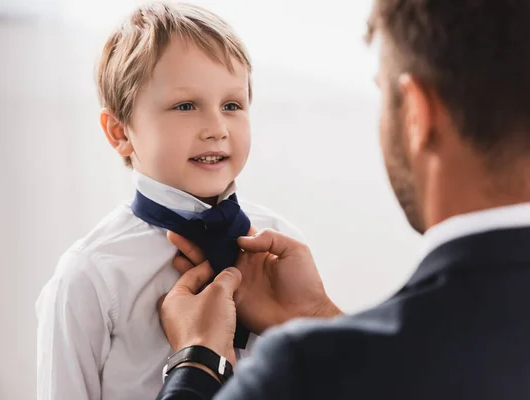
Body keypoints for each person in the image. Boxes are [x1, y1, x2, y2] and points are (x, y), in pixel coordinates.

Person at [155, 0, 530, 398]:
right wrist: (319, 315)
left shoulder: (302, 374)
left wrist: (197, 359)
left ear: (417, 113)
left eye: (383, 94)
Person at [34, 3, 309, 399]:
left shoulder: (281, 245)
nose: (217, 129)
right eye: (186, 106)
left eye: (232, 105)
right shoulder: (89, 278)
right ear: (119, 132)